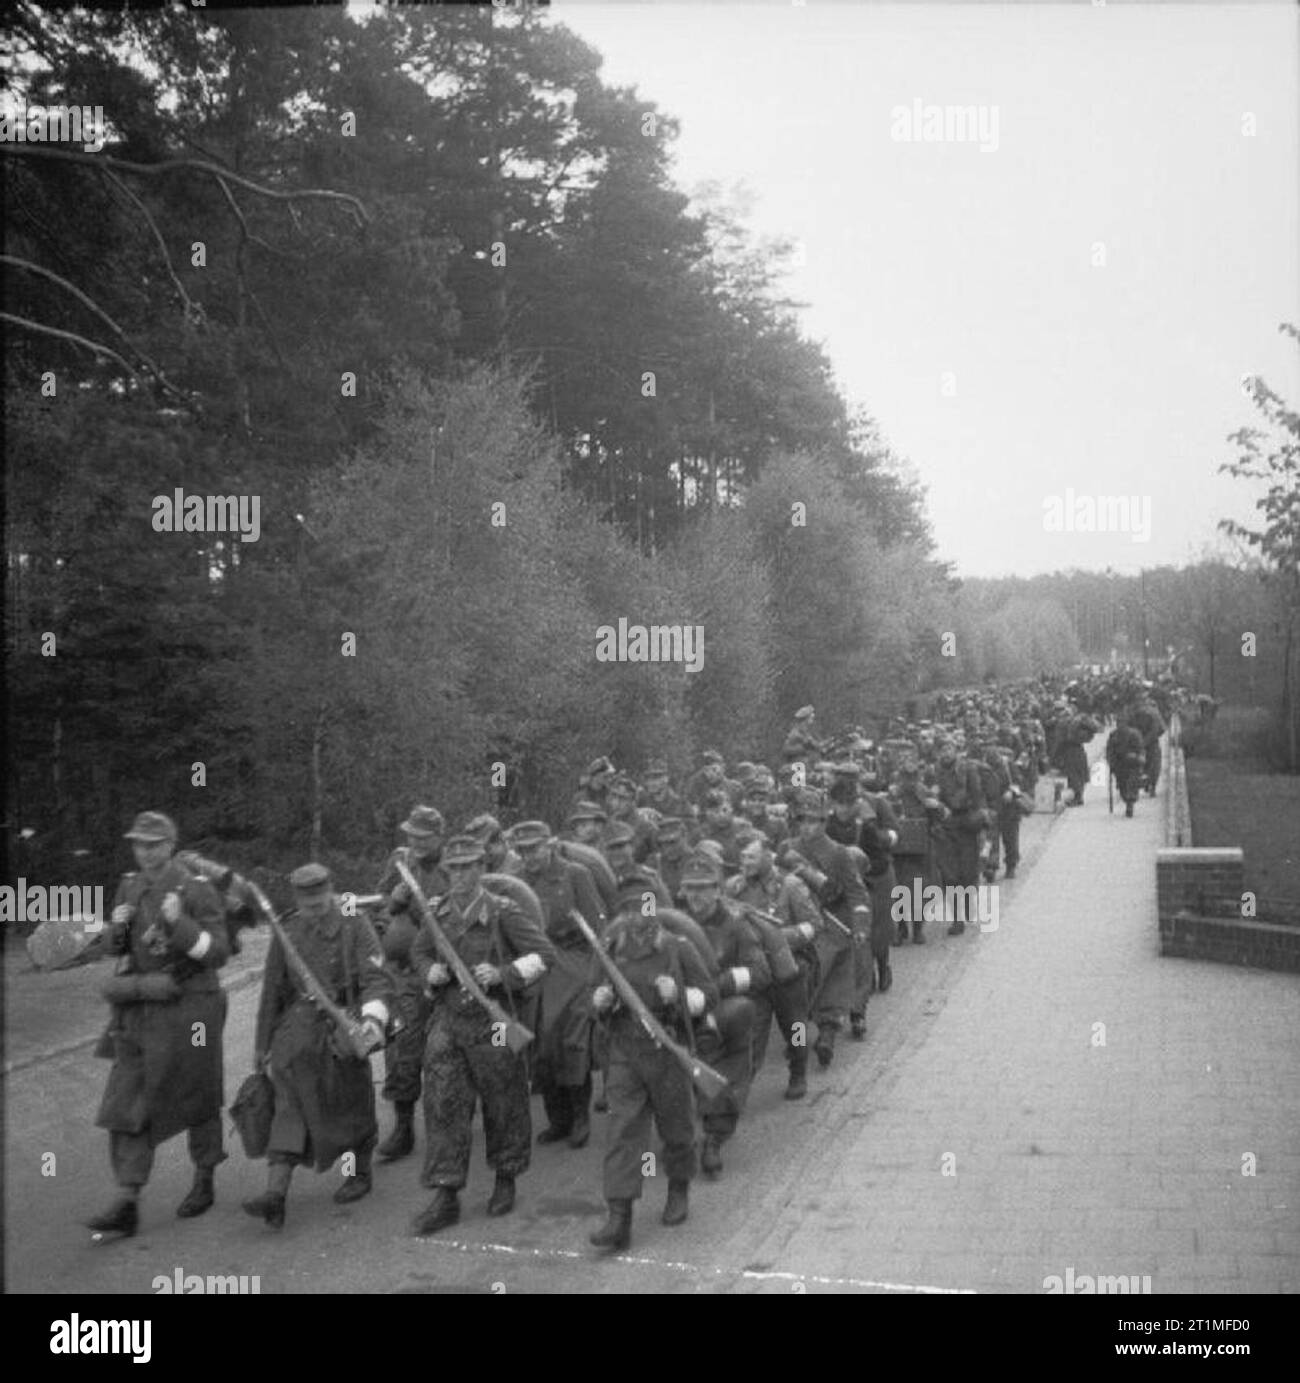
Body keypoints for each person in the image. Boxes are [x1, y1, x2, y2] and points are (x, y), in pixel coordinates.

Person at [86, 811, 230, 1238]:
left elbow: (218, 953)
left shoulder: (196, 888)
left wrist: (179, 924)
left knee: (199, 1095)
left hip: (191, 1006)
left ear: (170, 844)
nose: (145, 851)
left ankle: (204, 1178)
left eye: (153, 844)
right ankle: (128, 1200)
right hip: (141, 1009)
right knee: (125, 1101)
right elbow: (116, 946)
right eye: (138, 844)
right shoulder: (130, 885)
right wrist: (117, 927)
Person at [409, 835, 556, 1235]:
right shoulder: (436, 914)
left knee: (503, 1099)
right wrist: (429, 973)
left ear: (482, 869)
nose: (460, 874)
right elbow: (419, 952)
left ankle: (505, 1178)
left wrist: (504, 974)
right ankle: (445, 1193)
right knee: (442, 1103)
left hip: (493, 1025)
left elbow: (545, 954)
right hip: (449, 1020)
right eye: (453, 868)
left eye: (469, 866)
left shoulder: (503, 912)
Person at [244, 863, 394, 1229]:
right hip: (296, 1035)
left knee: (349, 1105)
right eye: (306, 901)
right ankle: (276, 1195)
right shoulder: (288, 928)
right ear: (296, 898)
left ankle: (357, 1171)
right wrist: (262, 1045)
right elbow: (272, 991)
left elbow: (377, 977)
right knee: (288, 1107)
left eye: (319, 899)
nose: (313, 907)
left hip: (344, 1025)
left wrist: (371, 1022)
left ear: (331, 891)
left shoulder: (354, 922)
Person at [588, 874, 718, 1251]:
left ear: (656, 907)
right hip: (624, 1051)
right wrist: (599, 1002)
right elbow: (590, 998)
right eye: (629, 908)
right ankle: (619, 1216)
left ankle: (679, 1188)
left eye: (644, 906)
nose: (637, 915)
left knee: (676, 1127)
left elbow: (709, 993)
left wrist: (679, 996)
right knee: (623, 1132)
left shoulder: (678, 948)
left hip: (668, 1050)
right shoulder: (610, 950)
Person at [509, 820, 605, 1149]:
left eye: (534, 848)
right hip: (536, 964)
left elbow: (596, 928)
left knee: (572, 1037)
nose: (528, 856)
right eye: (522, 851)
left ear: (549, 845)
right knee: (541, 1039)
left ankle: (580, 1116)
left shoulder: (575, 874)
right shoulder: (517, 883)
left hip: (574, 961)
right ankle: (557, 1119)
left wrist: (595, 978)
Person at [679, 851, 769, 1176]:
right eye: (690, 888)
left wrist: (716, 988)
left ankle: (714, 1140)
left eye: (703, 888)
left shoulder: (735, 926)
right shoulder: (674, 923)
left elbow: (759, 972)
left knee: (721, 1075)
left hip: (722, 1014)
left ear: (718, 890)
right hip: (678, 1011)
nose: (696, 895)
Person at [371, 806, 449, 1169]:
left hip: (442, 972)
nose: (415, 842)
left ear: (439, 836)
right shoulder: (400, 862)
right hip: (402, 974)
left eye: (423, 836)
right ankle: (403, 1128)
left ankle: (449, 1127)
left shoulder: (454, 868)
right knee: (401, 1048)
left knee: (445, 1053)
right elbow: (381, 904)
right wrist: (395, 902)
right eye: (411, 835)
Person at [778, 789, 868, 1064]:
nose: (807, 827)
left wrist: (860, 925)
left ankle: (826, 1038)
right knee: (796, 998)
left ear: (823, 823)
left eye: (814, 821)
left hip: (832, 928)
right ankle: (796, 1048)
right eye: (803, 821)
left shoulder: (839, 853)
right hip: (797, 928)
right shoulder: (787, 849)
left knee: (831, 990)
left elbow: (856, 893)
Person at [725, 833, 817, 1100]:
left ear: (768, 856)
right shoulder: (733, 888)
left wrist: (776, 938)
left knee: (796, 1028)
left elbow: (814, 924)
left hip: (788, 972)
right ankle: (740, 1088)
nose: (745, 863)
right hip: (755, 976)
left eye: (751, 857)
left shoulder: (790, 886)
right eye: (742, 857)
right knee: (751, 1033)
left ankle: (798, 1071)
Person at [1106, 713, 1145, 818]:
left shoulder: (1134, 734)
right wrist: (1110, 762)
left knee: (1131, 786)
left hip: (1133, 765)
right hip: (1119, 766)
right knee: (1122, 787)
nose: (1120, 725)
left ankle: (1130, 805)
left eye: (1122, 723)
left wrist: (1138, 757)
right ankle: (1127, 800)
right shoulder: (1113, 735)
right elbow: (1109, 750)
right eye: (1118, 723)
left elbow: (1140, 748)